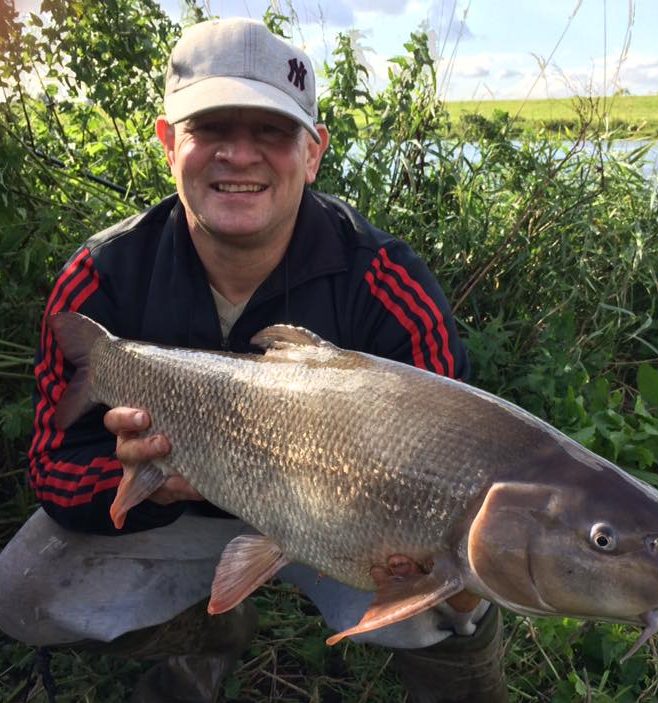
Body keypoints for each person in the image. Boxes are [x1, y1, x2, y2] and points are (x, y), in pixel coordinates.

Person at [0, 17, 508, 703]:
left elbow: (459, 458)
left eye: (271, 131)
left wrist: (424, 546)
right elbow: (52, 468)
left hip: (344, 525)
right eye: (211, 128)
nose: (239, 155)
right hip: (182, 521)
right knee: (23, 589)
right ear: (168, 143)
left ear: (313, 151)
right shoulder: (100, 278)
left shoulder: (386, 283)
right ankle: (208, 635)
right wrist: (142, 480)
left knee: (456, 597)